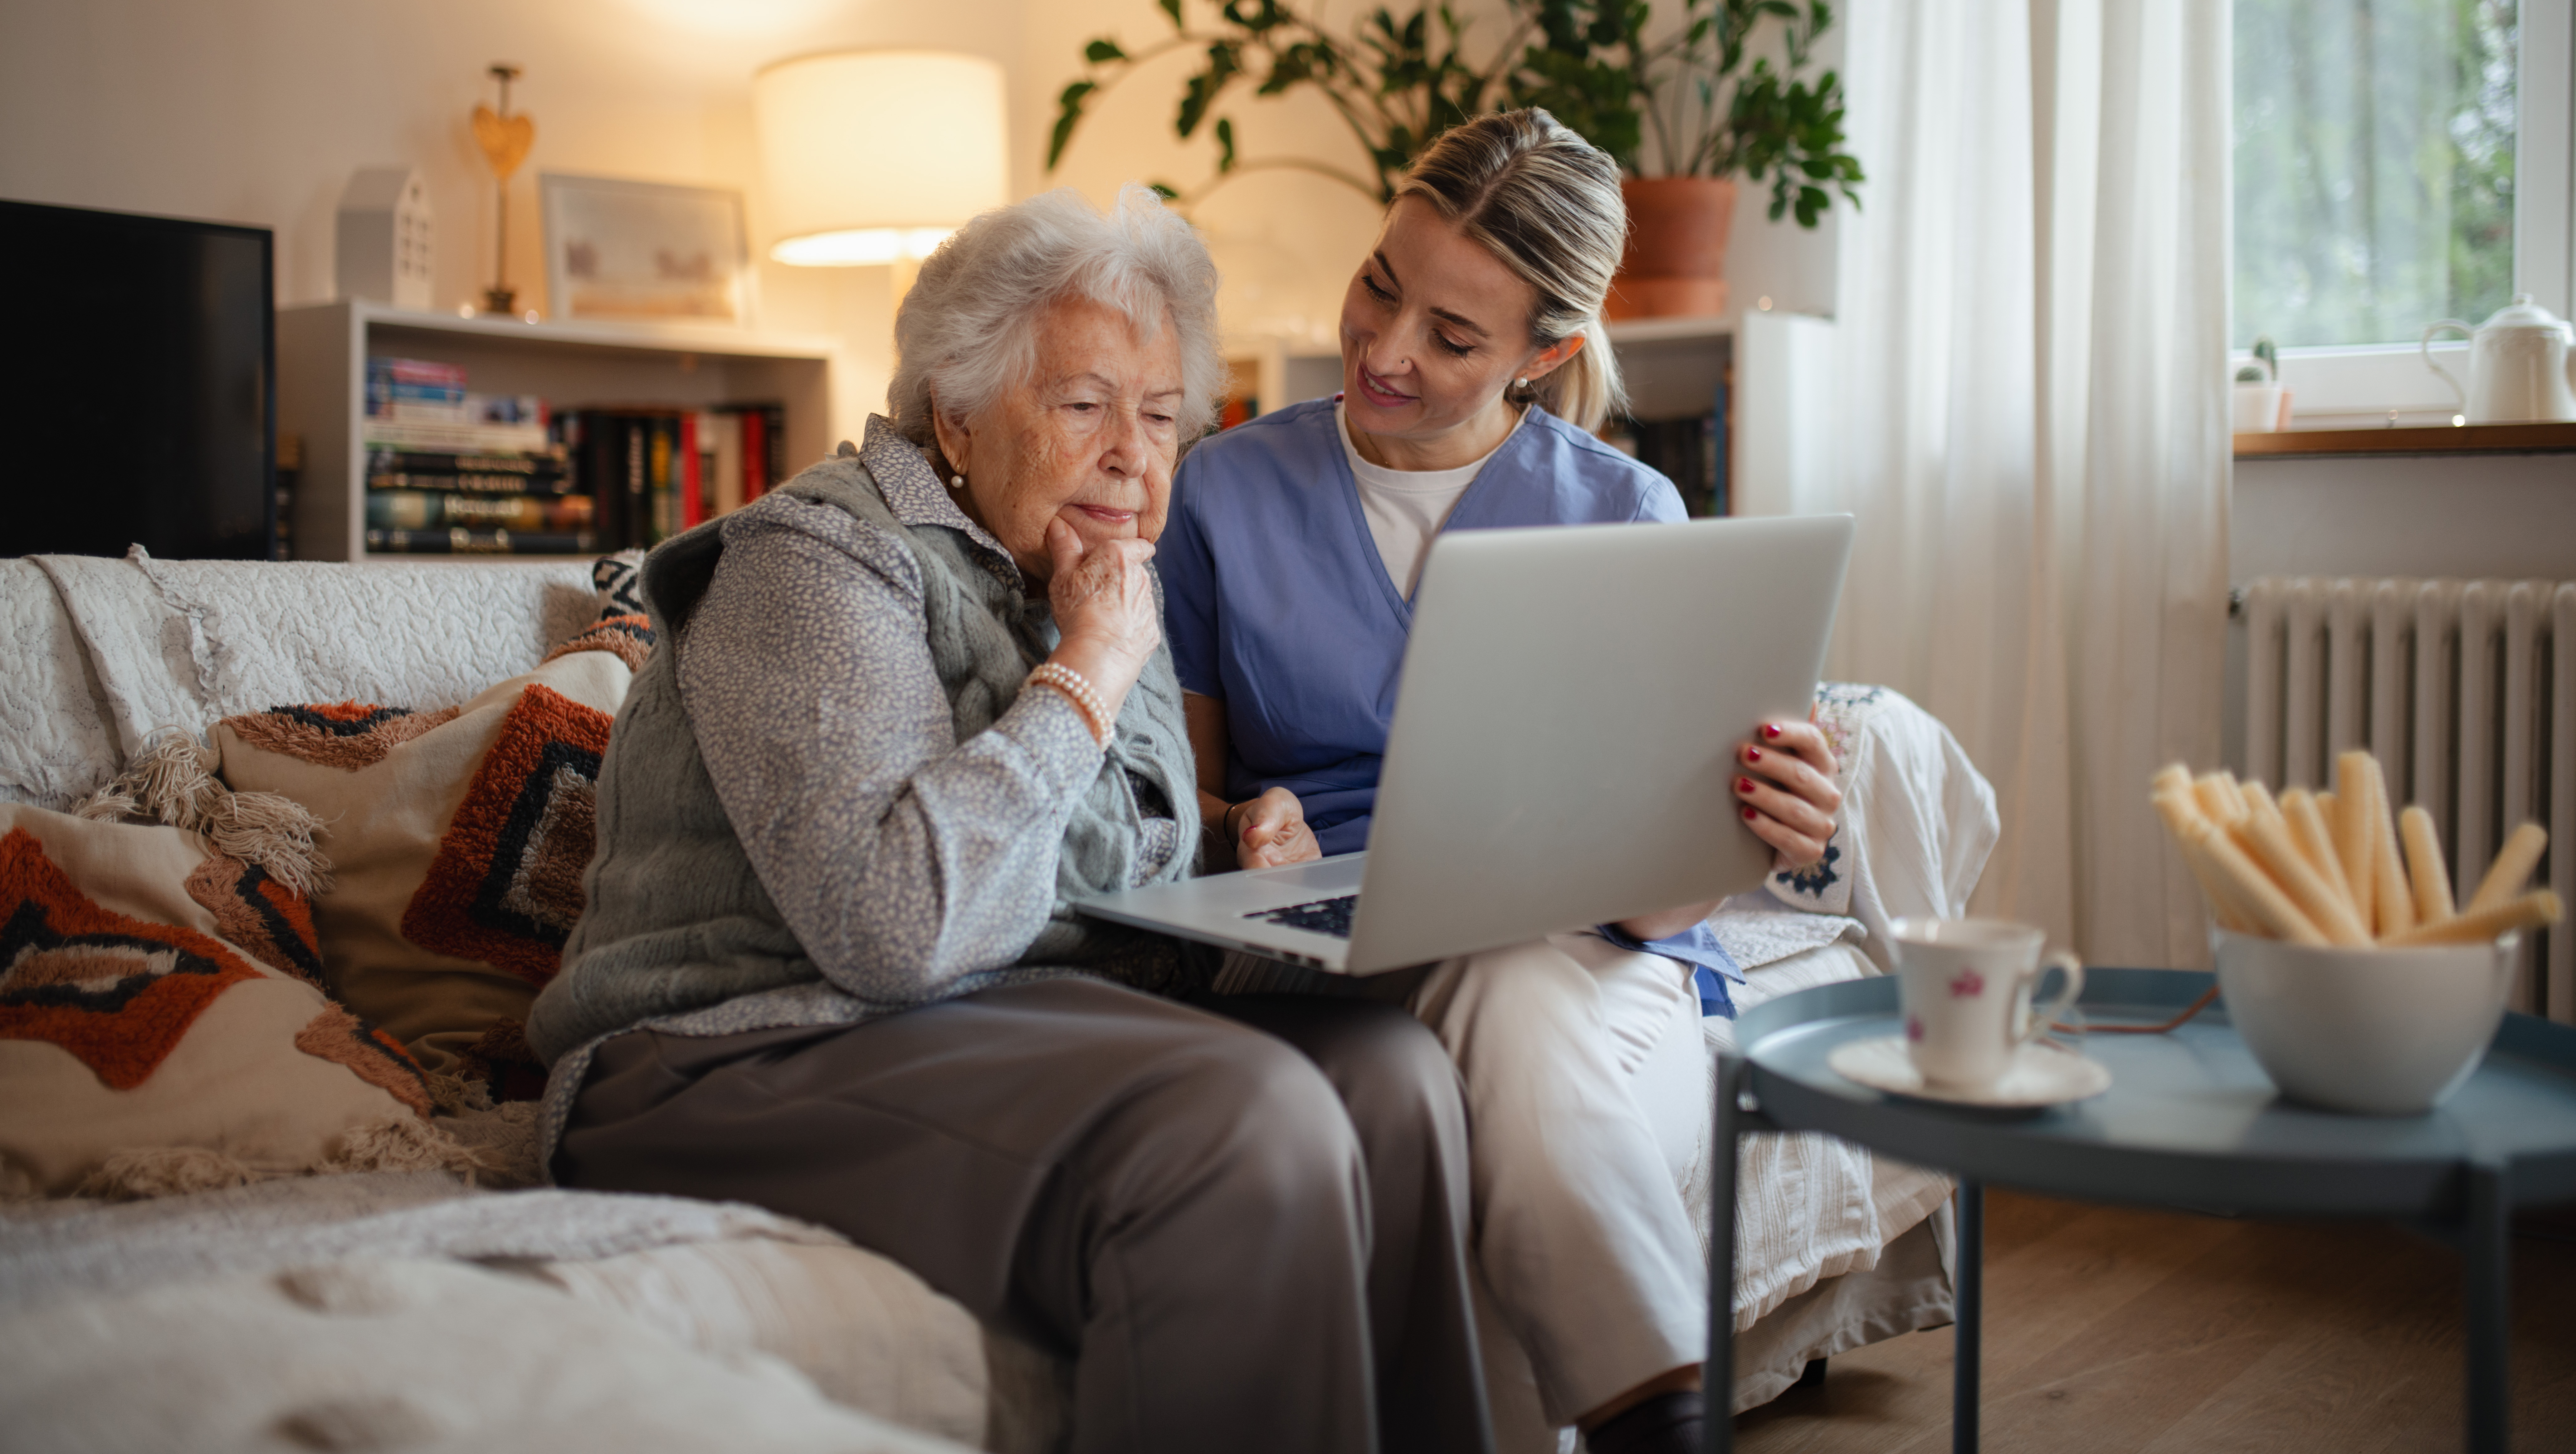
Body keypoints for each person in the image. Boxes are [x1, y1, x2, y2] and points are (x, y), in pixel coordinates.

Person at [526, 185, 1494, 1454]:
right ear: (957, 412)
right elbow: (895, 925)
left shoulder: (1090, 576)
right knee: (1241, 1115)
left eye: (1160, 418)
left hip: (985, 1015)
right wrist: (1085, 677)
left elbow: (1082, 872)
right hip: (723, 1046)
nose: (1133, 457)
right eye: (1084, 404)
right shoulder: (814, 561)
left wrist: (1232, 845)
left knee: (1393, 1071)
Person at [1156, 110, 1846, 1454]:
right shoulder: (1222, 492)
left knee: (1503, 976)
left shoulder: (1625, 513)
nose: (1387, 348)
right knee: (1487, 991)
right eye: (1380, 285)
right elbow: (1176, 807)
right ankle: (1668, 1417)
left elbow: (1656, 905)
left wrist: (1759, 821)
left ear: (1547, 353)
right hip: (1311, 936)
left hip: (1573, 946)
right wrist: (1250, 824)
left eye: (1455, 336)